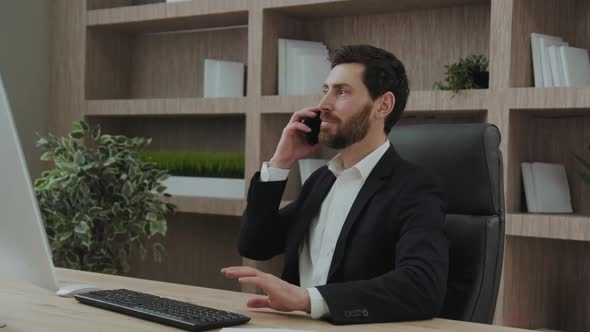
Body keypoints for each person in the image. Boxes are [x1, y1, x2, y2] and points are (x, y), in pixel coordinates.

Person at [222, 45, 448, 324]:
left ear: (383, 105)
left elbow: (421, 287)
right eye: (325, 90)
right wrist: (281, 161)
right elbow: (255, 245)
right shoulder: (322, 179)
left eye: (341, 92)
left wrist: (309, 300)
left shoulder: (414, 187)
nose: (324, 104)